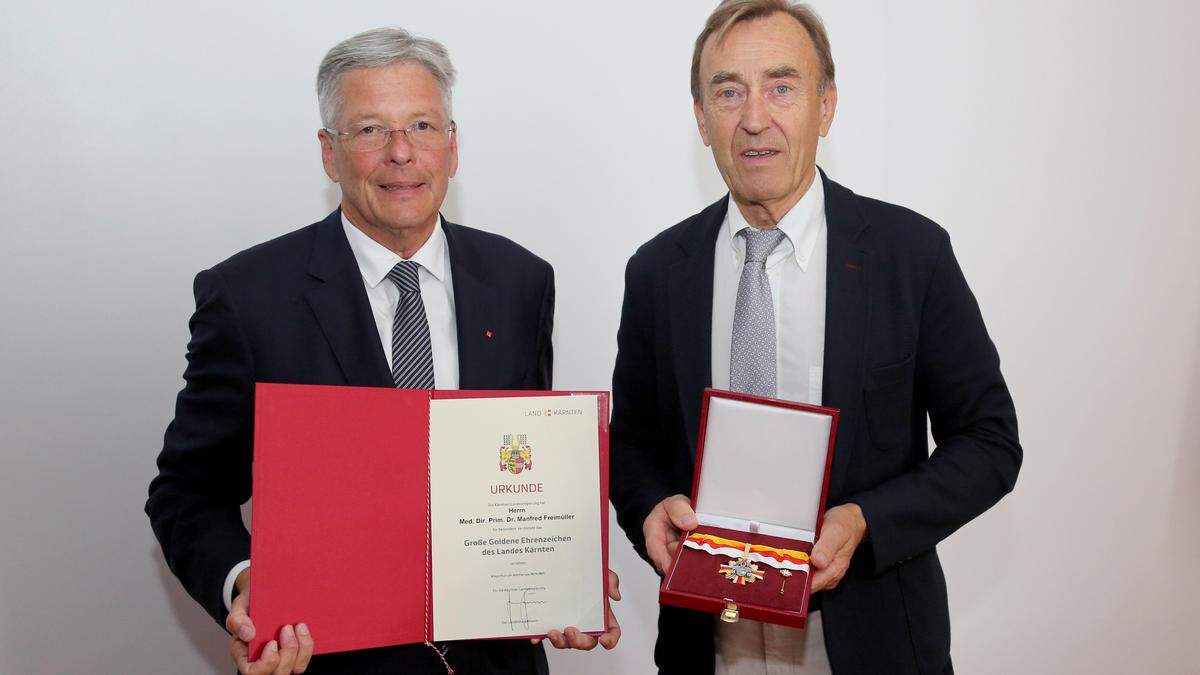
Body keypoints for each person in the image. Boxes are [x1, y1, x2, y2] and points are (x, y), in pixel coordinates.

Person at [147, 27, 619, 675]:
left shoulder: (520, 280)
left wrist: (560, 574)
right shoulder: (248, 296)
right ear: (329, 152)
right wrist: (245, 582)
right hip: (326, 661)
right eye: (369, 129)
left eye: (422, 125)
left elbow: (525, 461)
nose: (402, 152)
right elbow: (186, 491)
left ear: (452, 147)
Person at [608, 2, 1021, 673]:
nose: (753, 118)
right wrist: (650, 506)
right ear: (701, 118)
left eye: (781, 87)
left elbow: (990, 442)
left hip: (870, 638)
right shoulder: (658, 271)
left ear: (825, 107)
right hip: (708, 642)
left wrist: (864, 520)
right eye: (728, 91)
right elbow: (632, 444)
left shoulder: (908, 254)